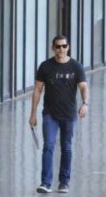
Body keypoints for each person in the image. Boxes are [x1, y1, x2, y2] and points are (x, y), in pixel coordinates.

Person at [29, 35, 89, 194]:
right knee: (48, 145)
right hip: (50, 114)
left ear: (68, 47)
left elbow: (83, 86)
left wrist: (85, 103)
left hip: (69, 114)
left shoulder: (76, 66)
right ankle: (46, 183)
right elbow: (37, 90)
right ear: (52, 48)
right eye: (57, 46)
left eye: (63, 46)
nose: (61, 49)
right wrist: (33, 113)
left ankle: (64, 182)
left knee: (67, 147)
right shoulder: (45, 66)